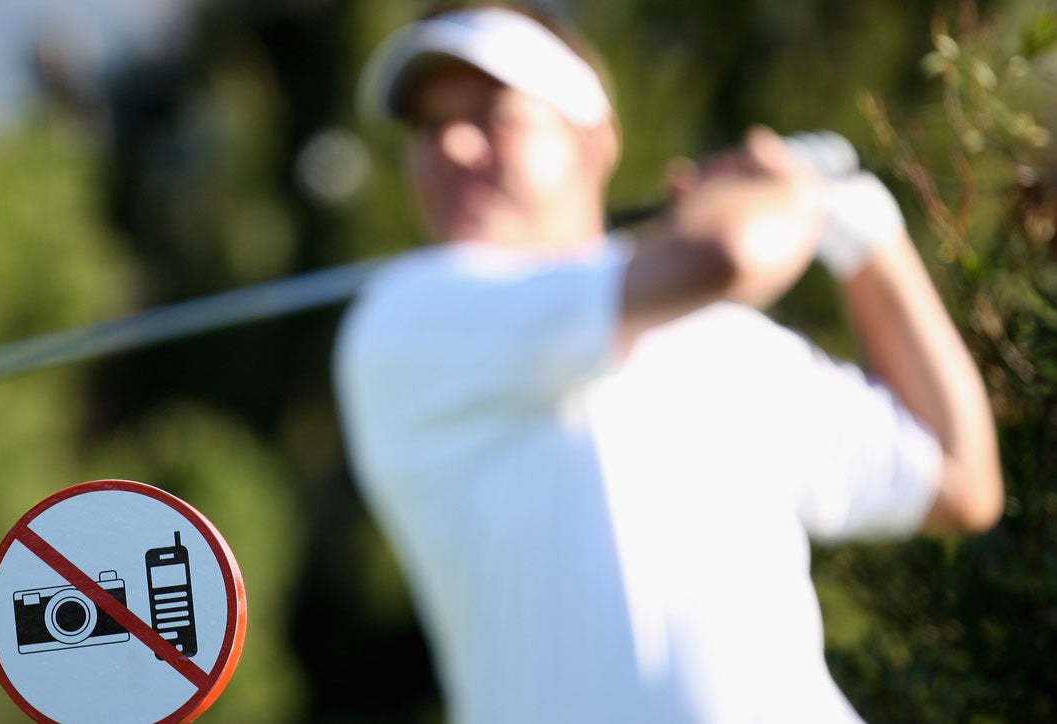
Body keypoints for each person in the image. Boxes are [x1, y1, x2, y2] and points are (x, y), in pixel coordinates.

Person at [332, 3, 1003, 722]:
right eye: (431, 127)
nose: (456, 146)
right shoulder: (407, 319)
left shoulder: (721, 338)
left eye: (493, 113)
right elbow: (730, 252)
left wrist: (867, 234)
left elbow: (962, 482)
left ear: (593, 141)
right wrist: (787, 195)